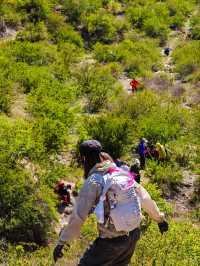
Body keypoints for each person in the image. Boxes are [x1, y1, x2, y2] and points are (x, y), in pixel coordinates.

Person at [53, 139, 168, 265]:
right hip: (133, 236)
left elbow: (79, 216)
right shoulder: (120, 173)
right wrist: (159, 219)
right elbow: (144, 197)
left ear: (84, 159)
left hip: (111, 241)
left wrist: (63, 242)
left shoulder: (94, 181)